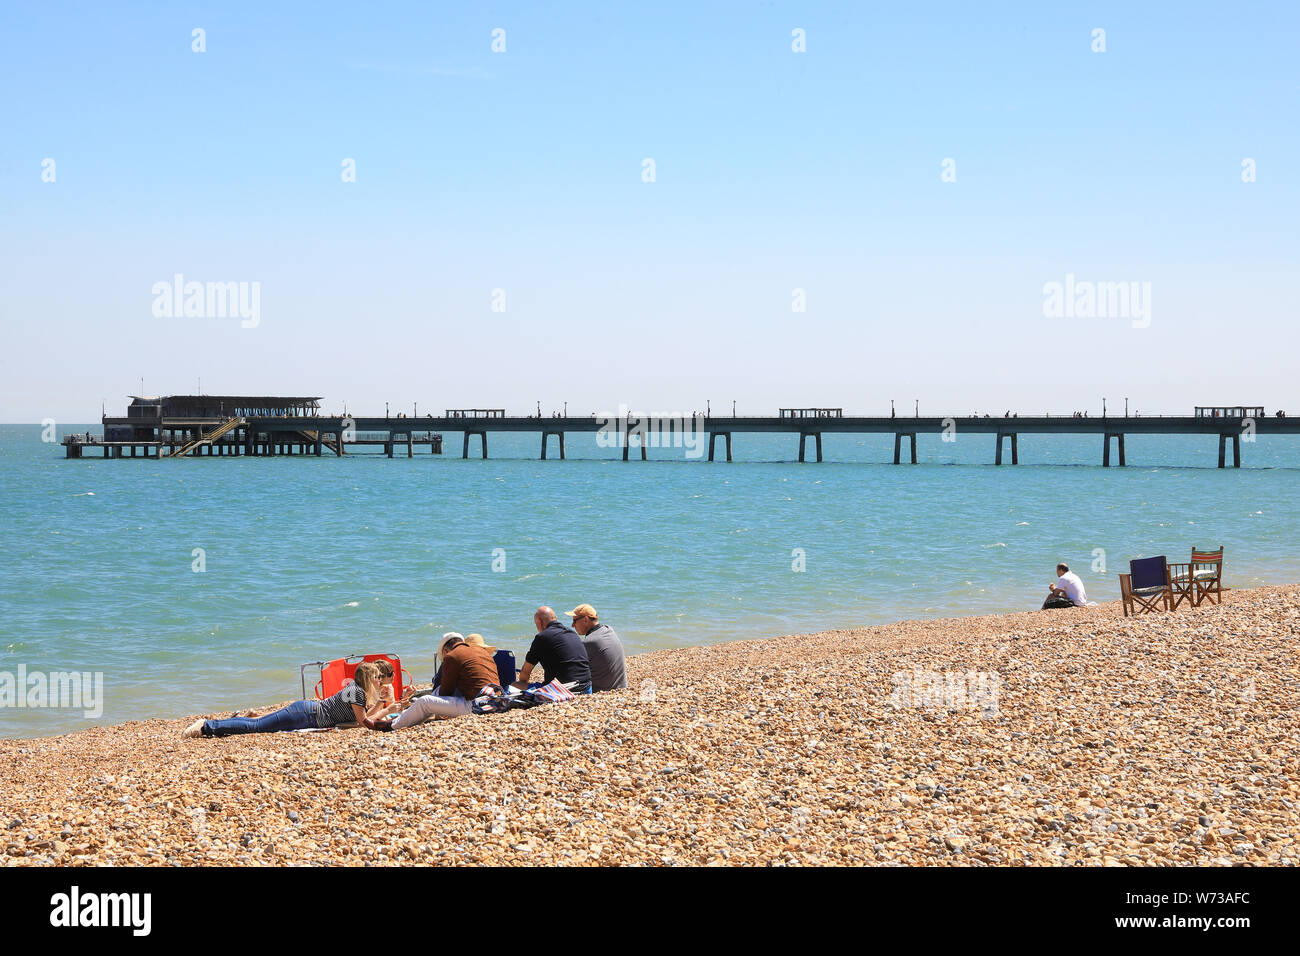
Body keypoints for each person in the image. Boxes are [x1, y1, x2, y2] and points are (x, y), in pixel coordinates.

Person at [182, 662, 389, 738]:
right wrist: (389, 724)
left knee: (257, 725)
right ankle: (207, 726)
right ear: (368, 679)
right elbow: (365, 723)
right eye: (377, 677)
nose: (379, 681)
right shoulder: (357, 693)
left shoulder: (356, 691)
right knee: (256, 727)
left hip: (306, 713)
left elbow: (361, 719)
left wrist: (383, 706)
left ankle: (211, 725)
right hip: (306, 715)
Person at [382, 633, 500, 729]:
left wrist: (439, 711)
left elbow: (446, 691)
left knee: (425, 702)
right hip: (497, 701)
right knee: (434, 694)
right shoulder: (483, 653)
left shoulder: (452, 656)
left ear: (445, 651)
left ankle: (391, 726)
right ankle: (403, 718)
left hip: (478, 705)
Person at [514, 606, 591, 693]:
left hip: (563, 691)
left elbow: (526, 672)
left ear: (540, 621)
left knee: (515, 685)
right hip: (586, 688)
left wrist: (522, 683)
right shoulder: (572, 633)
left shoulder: (542, 637)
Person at [568, 604, 627, 692]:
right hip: (621, 688)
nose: (572, 625)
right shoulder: (609, 629)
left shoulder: (589, 642)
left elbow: (573, 673)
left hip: (603, 692)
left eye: (574, 621)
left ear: (585, 620)